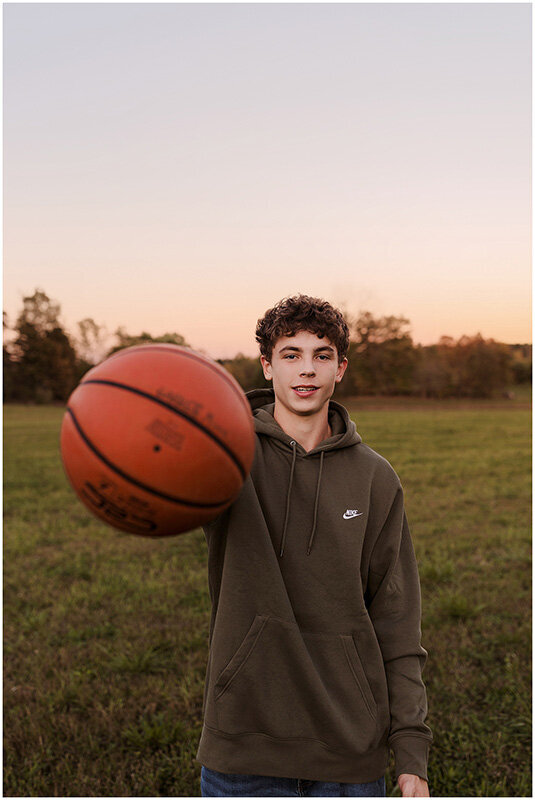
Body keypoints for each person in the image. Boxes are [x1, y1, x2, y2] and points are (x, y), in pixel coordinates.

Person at [195, 295, 432, 797]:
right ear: (267, 365)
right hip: (244, 742)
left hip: (349, 751)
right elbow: (159, 491)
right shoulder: (223, 455)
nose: (307, 370)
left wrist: (411, 750)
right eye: (290, 354)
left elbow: (396, 618)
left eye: (322, 355)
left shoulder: (375, 478)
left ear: (340, 368)